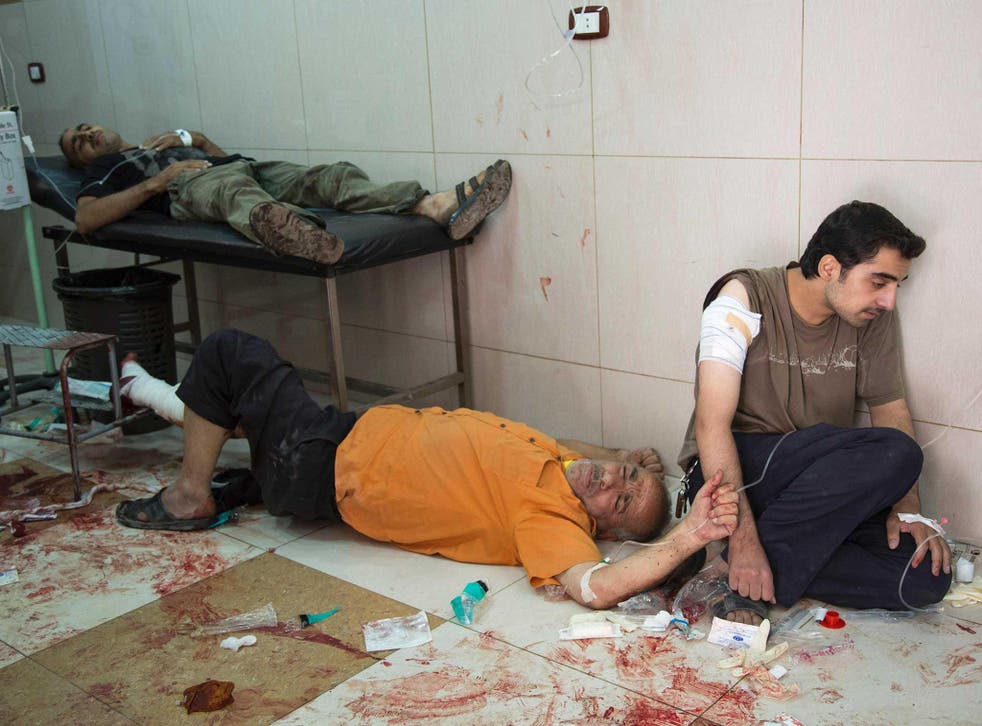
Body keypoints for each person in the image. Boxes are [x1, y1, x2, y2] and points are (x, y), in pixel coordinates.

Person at [114, 328, 739, 609]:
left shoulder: (550, 521)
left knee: (231, 353)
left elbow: (595, 588)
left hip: (322, 470)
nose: (609, 482)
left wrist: (688, 538)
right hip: (345, 433)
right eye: (622, 476)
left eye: (621, 503)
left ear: (603, 533)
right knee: (242, 408)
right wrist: (627, 458)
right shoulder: (560, 459)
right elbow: (587, 455)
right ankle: (153, 403)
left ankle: (188, 497)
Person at [677, 200, 952, 623]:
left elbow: (890, 408)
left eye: (897, 284)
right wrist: (745, 538)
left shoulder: (872, 318)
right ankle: (747, 559)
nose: (890, 300)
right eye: (879, 282)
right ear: (828, 267)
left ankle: (736, 570)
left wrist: (907, 508)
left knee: (924, 580)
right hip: (732, 475)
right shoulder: (741, 298)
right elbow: (711, 426)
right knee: (898, 452)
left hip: (813, 491)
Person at [58, 123, 512, 263]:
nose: (87, 135)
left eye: (85, 128)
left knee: (329, 176)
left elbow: (224, 158)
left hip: (240, 168)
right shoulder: (105, 168)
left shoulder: (158, 141)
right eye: (76, 142)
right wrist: (160, 180)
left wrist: (193, 138)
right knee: (233, 189)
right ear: (80, 160)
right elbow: (86, 220)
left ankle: (431, 204)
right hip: (191, 188)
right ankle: (299, 234)